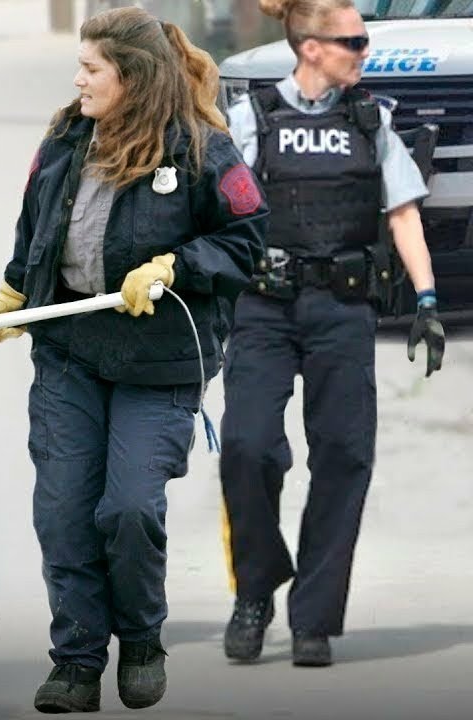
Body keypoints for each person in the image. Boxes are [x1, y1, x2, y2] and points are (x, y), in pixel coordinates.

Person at [0, 7, 268, 713]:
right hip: (71, 352)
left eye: (92, 69)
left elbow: (249, 238)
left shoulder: (202, 150)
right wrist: (19, 287)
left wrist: (177, 264)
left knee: (130, 510)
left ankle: (140, 640)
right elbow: (37, 219)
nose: (77, 80)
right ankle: (77, 663)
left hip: (160, 361)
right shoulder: (63, 138)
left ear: (133, 77)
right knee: (64, 512)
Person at [219, 0, 444, 668]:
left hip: (344, 309)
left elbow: (403, 216)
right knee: (248, 448)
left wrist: (427, 299)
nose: (364, 52)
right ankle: (256, 589)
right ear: (312, 47)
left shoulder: (371, 121)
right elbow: (218, 213)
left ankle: (313, 617)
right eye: (355, 41)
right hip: (264, 307)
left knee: (345, 455)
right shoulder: (250, 120)